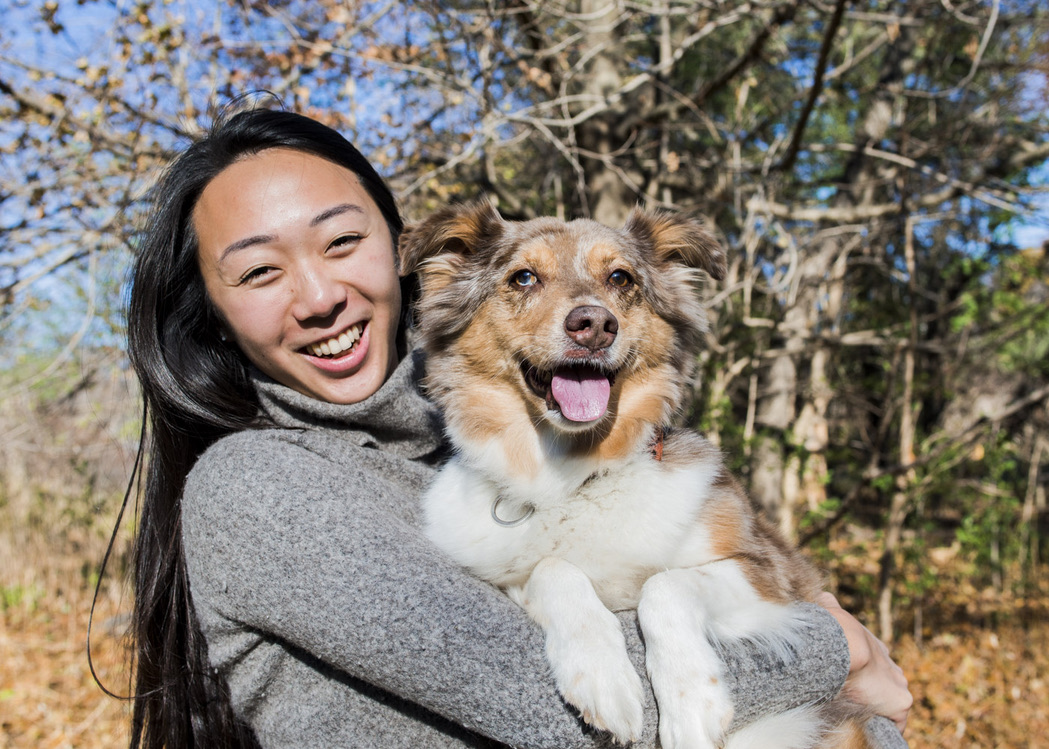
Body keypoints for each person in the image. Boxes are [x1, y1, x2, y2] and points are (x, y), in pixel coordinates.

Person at [118, 103, 911, 748]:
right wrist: (837, 650)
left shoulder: (456, 455)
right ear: (212, 315)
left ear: (402, 261)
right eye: (259, 269)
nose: (319, 293)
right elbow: (545, 706)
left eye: (342, 240)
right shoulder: (258, 486)